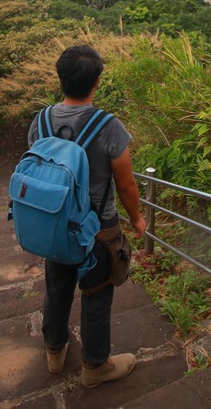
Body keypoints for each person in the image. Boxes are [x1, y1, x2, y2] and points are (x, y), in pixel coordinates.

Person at [28, 44, 147, 388]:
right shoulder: (108, 127)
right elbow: (126, 186)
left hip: (54, 224)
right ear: (96, 82)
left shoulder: (40, 122)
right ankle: (95, 366)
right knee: (97, 290)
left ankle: (54, 351)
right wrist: (137, 220)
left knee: (57, 286)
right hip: (98, 229)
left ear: (61, 79)